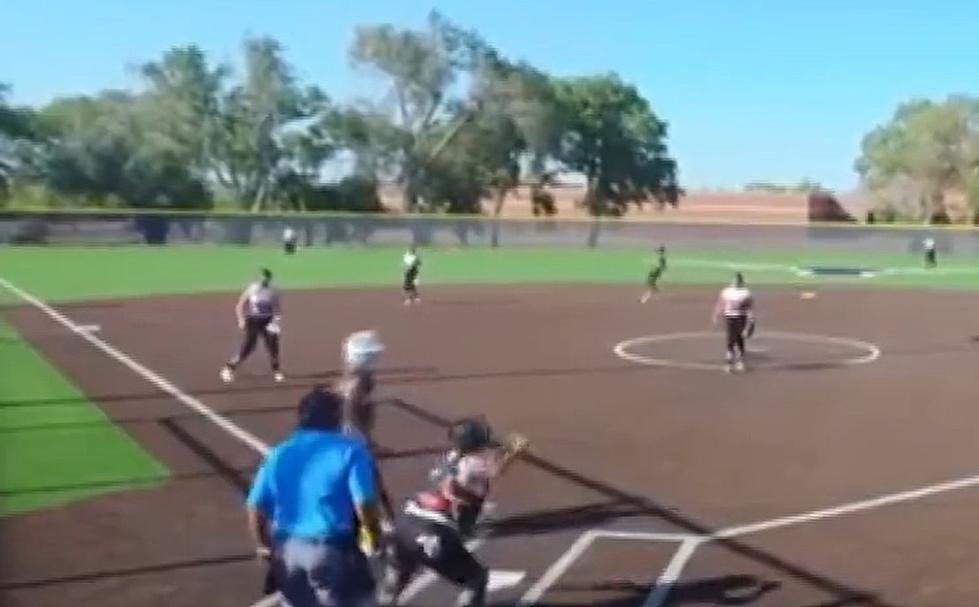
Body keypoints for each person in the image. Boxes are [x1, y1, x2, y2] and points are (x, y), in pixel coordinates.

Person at [246, 387, 383, 607]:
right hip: (330, 549)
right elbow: (364, 503)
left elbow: (255, 506)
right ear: (335, 417)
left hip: (287, 550)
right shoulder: (350, 450)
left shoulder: (279, 452)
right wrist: (373, 536)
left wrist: (263, 546)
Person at [379, 417, 528, 607]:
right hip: (433, 529)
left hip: (406, 521)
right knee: (476, 579)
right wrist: (513, 452)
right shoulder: (475, 462)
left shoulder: (451, 456)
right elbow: (496, 469)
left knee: (398, 575)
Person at [336, 331, 396, 525]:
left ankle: (383, 520)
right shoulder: (358, 381)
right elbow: (350, 413)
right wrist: (366, 444)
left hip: (351, 436)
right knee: (369, 480)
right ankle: (384, 522)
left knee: (365, 479)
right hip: (351, 437)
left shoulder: (357, 376)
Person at [221, 268, 284, 383]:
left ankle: (277, 371)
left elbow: (276, 306)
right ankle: (229, 368)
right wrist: (241, 319)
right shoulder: (253, 289)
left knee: (273, 347)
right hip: (254, 320)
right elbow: (240, 304)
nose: (264, 282)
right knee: (248, 348)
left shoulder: (272, 290)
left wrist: (276, 320)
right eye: (262, 279)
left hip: (268, 320)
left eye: (266, 279)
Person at [713, 272, 754, 373]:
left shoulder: (745, 293)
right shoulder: (726, 292)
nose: (736, 282)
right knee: (731, 337)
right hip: (729, 317)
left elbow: (749, 307)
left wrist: (751, 319)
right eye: (735, 280)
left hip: (741, 316)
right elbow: (721, 304)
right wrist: (717, 314)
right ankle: (729, 361)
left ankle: (740, 361)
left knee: (740, 337)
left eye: (738, 280)